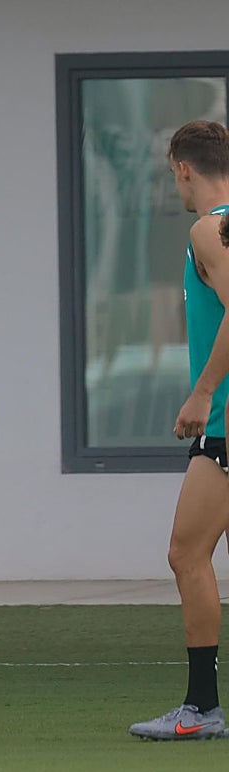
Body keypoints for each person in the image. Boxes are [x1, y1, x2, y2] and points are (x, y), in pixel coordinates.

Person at [130, 120, 229, 740]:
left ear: (183, 168)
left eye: (173, 175)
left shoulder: (209, 228)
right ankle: (201, 707)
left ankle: (201, 711)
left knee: (187, 555)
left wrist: (201, 391)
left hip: (222, 428)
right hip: (217, 439)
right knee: (186, 553)